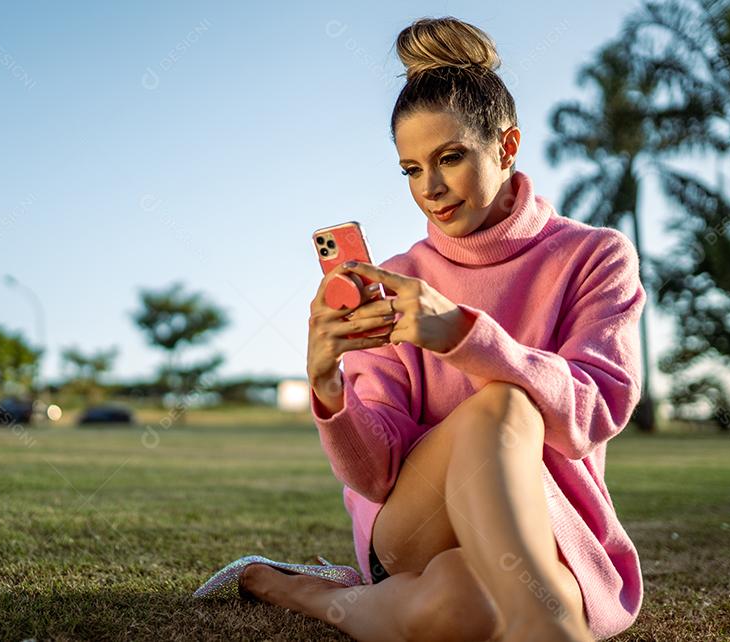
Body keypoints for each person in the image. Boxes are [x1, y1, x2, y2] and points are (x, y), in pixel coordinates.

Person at [236, 16, 645, 642]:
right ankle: (546, 627)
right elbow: (376, 474)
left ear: (506, 147)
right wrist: (326, 385)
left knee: (464, 608)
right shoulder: (398, 278)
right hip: (413, 526)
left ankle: (310, 594)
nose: (429, 189)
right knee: (501, 405)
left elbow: (595, 409)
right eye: (410, 169)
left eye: (450, 158)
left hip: (546, 523)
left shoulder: (594, 255)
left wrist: (462, 334)